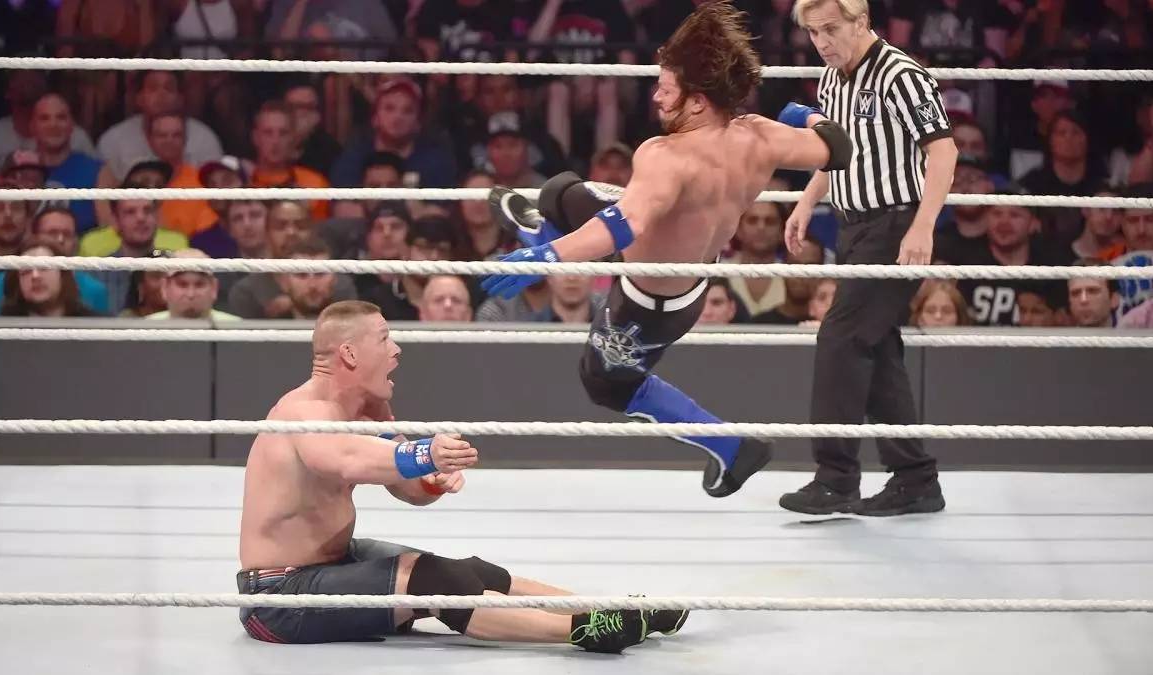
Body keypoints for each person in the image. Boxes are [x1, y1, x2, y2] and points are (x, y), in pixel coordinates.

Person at [480, 3, 853, 498]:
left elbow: (625, 225)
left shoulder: (664, 156)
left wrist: (547, 259)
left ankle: (732, 446)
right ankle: (545, 229)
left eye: (666, 88)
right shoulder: (762, 135)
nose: (655, 95)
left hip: (647, 301)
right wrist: (803, 115)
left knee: (605, 383)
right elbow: (837, 147)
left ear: (697, 102)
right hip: (691, 274)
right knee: (560, 192)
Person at [237, 300, 687, 651]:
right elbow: (346, 460)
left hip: (335, 561)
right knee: (436, 582)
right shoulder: (304, 412)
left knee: (470, 572)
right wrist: (424, 453)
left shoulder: (367, 410)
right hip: (280, 597)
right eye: (385, 338)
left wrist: (431, 477)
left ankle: (608, 610)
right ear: (350, 353)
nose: (396, 349)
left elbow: (406, 487)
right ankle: (583, 630)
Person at [779, 0, 957, 516]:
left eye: (830, 29)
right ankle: (915, 479)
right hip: (853, 227)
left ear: (861, 22)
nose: (822, 42)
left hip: (896, 225)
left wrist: (923, 226)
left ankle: (835, 478)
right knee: (875, 349)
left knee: (840, 337)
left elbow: (943, 151)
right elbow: (837, 153)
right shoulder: (831, 79)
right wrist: (806, 202)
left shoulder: (902, 75)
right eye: (813, 33)